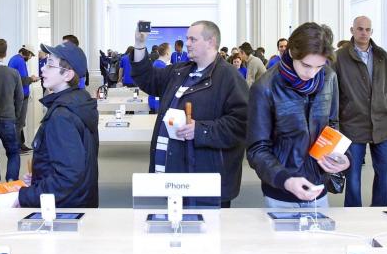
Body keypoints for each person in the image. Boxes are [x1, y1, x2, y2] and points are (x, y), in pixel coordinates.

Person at [131, 20, 248, 207]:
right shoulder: (180, 71)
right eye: (187, 39)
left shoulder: (229, 77)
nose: (188, 43)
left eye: (193, 39)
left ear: (211, 42)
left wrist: (200, 130)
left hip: (203, 182)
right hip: (174, 176)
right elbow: (148, 79)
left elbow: (241, 124)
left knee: (206, 233)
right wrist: (139, 45)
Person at [247, 22, 350, 207]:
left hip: (319, 186)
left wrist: (342, 156)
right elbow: (257, 149)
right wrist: (286, 180)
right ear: (292, 52)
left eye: (319, 66)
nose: (312, 74)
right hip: (281, 191)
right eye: (306, 65)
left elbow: (332, 125)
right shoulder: (264, 87)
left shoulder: (329, 77)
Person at [1, 42, 98, 208]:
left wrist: (23, 197)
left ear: (67, 75)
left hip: (64, 209)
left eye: (50, 65)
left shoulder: (62, 116)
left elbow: (68, 176)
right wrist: (40, 176)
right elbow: (73, 162)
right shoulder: (78, 101)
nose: (43, 69)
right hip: (80, 201)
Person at [333, 15, 387, 207]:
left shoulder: (381, 56)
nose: (364, 33)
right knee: (352, 173)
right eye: (360, 29)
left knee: (385, 171)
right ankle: (353, 212)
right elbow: (332, 88)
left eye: (367, 29)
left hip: (381, 122)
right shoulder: (340, 57)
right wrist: (339, 115)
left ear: (372, 32)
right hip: (353, 122)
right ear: (352, 30)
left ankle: (380, 209)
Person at [0, 39, 23, 187]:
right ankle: (11, 182)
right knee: (13, 153)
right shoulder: (14, 73)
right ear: (6, 53)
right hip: (8, 118)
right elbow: (20, 97)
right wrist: (16, 114)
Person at [9, 45, 39, 152]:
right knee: (19, 122)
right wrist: (32, 79)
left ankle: (20, 144)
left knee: (19, 122)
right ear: (26, 52)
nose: (31, 57)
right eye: (31, 55)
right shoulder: (20, 61)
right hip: (20, 96)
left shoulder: (15, 59)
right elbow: (22, 80)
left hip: (17, 95)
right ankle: (16, 148)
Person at [148, 44, 169, 113]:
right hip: (157, 102)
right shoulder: (161, 66)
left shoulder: (158, 64)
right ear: (167, 53)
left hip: (156, 101)